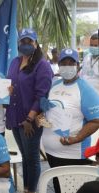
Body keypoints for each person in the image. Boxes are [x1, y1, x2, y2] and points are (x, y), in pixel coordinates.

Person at [41, 48, 99, 193]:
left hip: (72, 153)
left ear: (78, 66)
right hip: (51, 151)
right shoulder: (54, 85)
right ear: (58, 65)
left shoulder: (85, 89)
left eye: (71, 63)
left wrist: (76, 138)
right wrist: (40, 118)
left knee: (73, 189)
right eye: (63, 63)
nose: (67, 66)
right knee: (58, 186)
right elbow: (49, 111)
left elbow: (96, 121)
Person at [5, 28, 53, 193]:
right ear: (19, 43)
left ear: (36, 43)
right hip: (15, 117)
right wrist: (7, 90)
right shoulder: (15, 62)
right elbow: (10, 84)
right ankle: (26, 188)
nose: (26, 44)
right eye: (23, 41)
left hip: (30, 121)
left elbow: (42, 95)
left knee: (32, 158)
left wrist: (30, 119)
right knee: (24, 156)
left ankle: (31, 190)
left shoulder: (43, 65)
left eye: (29, 41)